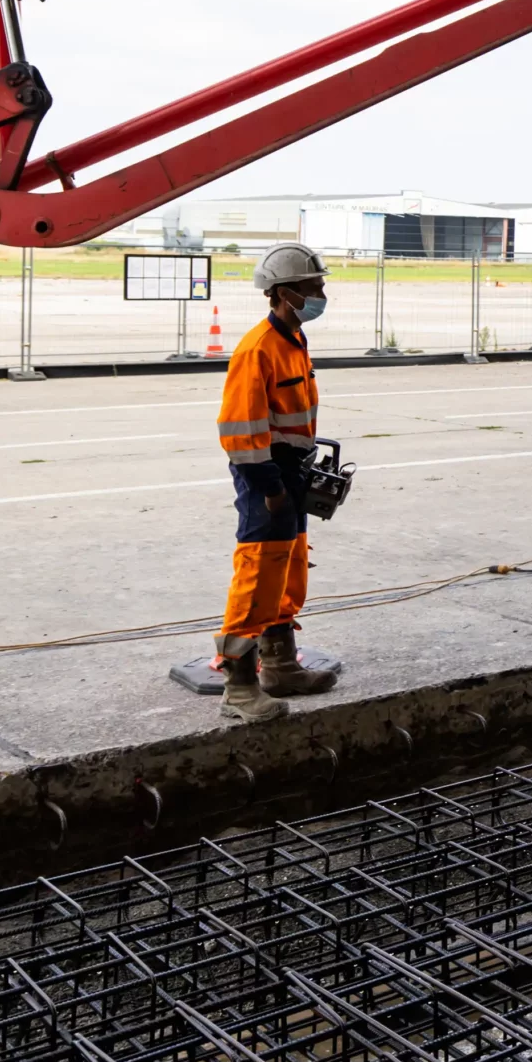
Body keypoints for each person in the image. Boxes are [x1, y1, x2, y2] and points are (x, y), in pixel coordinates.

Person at [211, 241, 338, 723]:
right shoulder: (257, 349)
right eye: (313, 286)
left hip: (291, 470)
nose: (321, 293)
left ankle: (280, 666)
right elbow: (240, 431)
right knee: (258, 574)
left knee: (288, 570)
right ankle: (239, 689)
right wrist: (269, 486)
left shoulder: (293, 339)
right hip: (265, 474)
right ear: (285, 293)